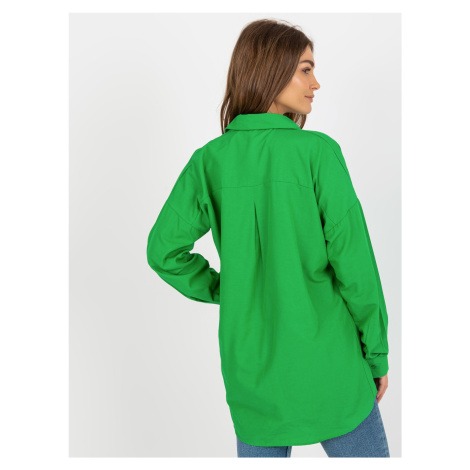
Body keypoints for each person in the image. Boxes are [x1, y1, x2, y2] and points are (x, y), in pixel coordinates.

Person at [146, 18, 390, 458]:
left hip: (252, 374)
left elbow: (163, 251)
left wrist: (231, 288)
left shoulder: (209, 161)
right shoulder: (318, 152)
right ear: (271, 70)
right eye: (305, 69)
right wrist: (377, 354)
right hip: (330, 367)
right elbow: (356, 266)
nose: (316, 83)